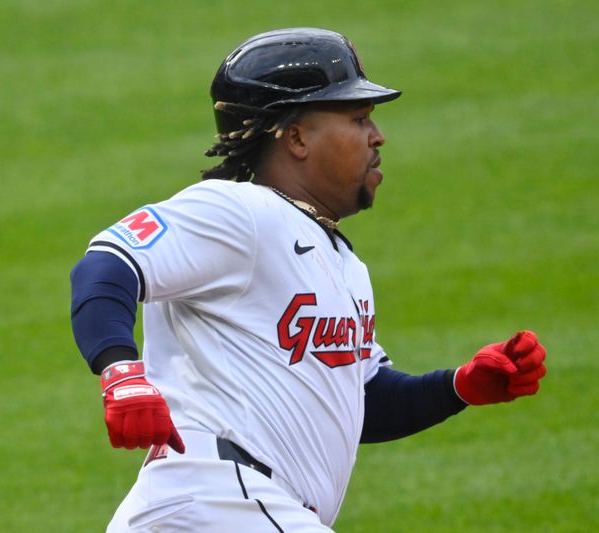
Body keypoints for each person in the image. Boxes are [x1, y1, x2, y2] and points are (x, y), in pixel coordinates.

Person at [70, 27, 547, 532]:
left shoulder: (342, 263)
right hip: (215, 499)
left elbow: (363, 398)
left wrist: (458, 387)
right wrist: (120, 371)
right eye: (358, 118)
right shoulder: (240, 211)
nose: (377, 135)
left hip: (232, 508)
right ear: (295, 136)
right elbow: (108, 264)